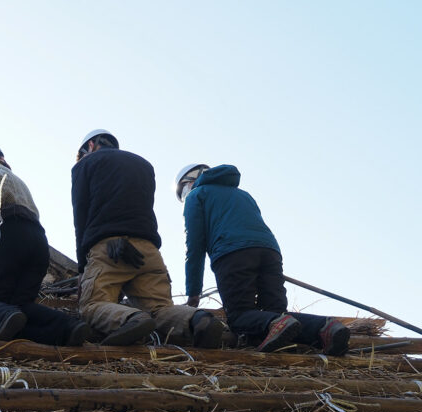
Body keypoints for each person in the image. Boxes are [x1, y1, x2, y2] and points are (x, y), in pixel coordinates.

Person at [71, 130, 224, 347]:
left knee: (92, 305)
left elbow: (80, 214)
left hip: (108, 248)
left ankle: (131, 319)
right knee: (159, 309)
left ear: (90, 146)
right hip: (148, 251)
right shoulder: (144, 165)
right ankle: (199, 320)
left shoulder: (85, 164)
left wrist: (82, 268)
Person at [176, 163, 350, 355]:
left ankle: (276, 323)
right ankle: (325, 327)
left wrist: (193, 292)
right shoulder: (243, 194)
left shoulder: (197, 195)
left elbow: (194, 245)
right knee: (275, 312)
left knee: (239, 316)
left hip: (232, 253)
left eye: (182, 192)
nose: (185, 195)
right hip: (270, 251)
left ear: (190, 181)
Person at [0, 147, 89, 346]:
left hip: (7, 229)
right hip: (37, 240)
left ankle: (6, 315)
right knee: (22, 305)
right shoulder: (16, 179)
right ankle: (68, 327)